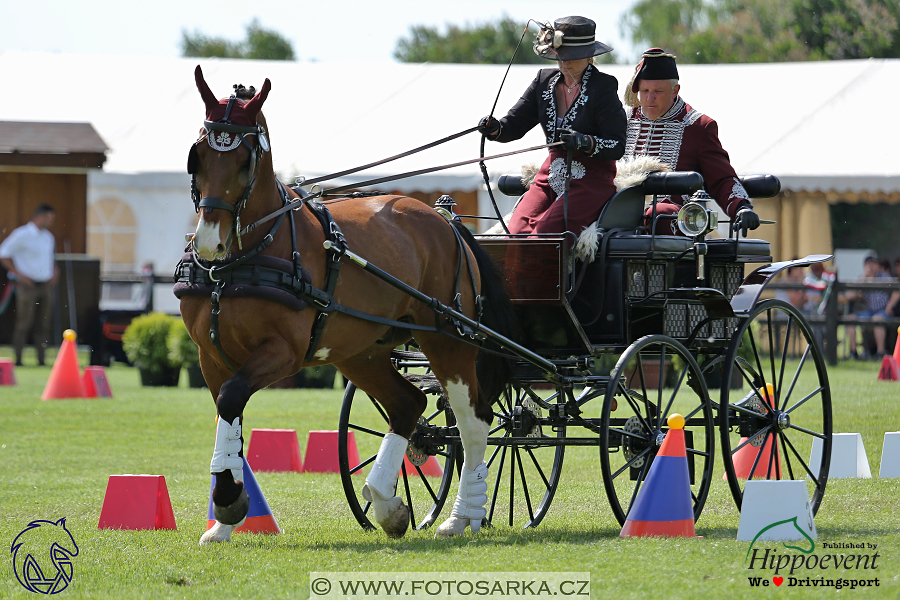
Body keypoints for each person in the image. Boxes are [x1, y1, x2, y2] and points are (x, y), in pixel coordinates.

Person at [477, 16, 626, 235]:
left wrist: (585, 141)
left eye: (574, 56)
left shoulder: (603, 86)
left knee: (547, 231)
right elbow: (514, 124)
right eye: (562, 55)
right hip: (549, 176)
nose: (566, 61)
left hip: (592, 179)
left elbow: (617, 145)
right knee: (517, 229)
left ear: (589, 55)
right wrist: (495, 128)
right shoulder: (543, 81)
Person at [622, 48, 760, 237]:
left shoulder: (697, 126)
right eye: (644, 91)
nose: (649, 98)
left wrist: (741, 207)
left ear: (675, 90)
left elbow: (721, 177)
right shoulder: (623, 120)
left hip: (675, 223)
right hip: (619, 211)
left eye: (658, 91)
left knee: (659, 213)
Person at [0, 204, 58, 366]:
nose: (51, 222)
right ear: (40, 217)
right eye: (50, 218)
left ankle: (42, 360)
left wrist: (54, 270)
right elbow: (3, 254)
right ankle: (18, 360)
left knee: (44, 324)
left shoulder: (48, 237)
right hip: (27, 286)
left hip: (45, 285)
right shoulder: (22, 234)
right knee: (23, 323)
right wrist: (19, 274)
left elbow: (49, 258)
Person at [847, 255, 900, 359]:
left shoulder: (885, 277)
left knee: (877, 319)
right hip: (868, 311)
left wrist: (889, 307)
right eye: (868, 264)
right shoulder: (862, 278)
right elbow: (850, 295)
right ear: (864, 266)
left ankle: (880, 352)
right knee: (849, 319)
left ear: (877, 265)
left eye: (873, 264)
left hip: (883, 311)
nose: (870, 267)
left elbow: (897, 291)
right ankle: (853, 352)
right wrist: (863, 278)